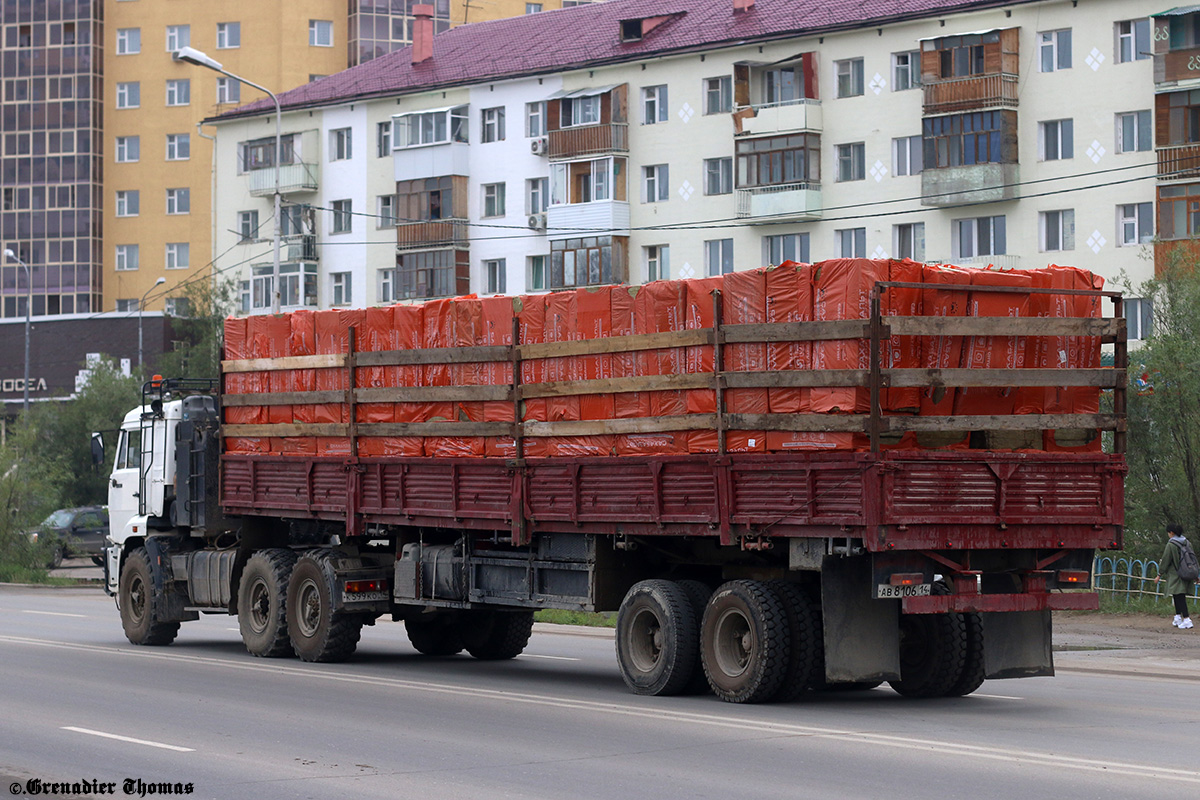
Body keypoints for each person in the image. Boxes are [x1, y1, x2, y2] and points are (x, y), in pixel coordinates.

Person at [1156, 523, 1194, 630]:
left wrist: (1160, 574)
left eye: (1168, 532)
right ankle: (1178, 617)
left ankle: (1186, 619)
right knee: (1177, 594)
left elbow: (1166, 559)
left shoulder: (1171, 544)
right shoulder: (1187, 543)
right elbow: (1192, 558)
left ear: (1171, 533)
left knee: (1180, 596)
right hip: (1187, 571)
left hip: (1175, 573)